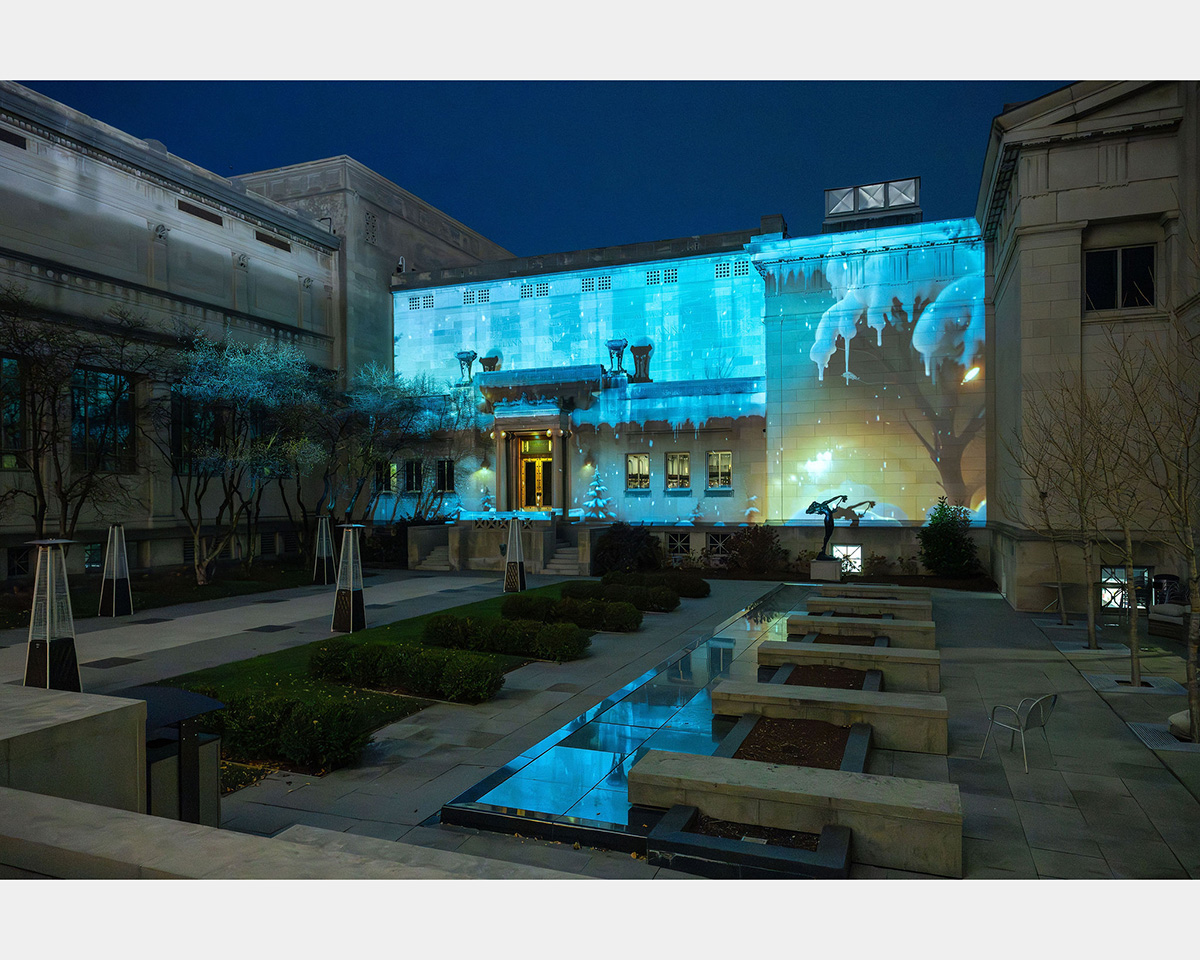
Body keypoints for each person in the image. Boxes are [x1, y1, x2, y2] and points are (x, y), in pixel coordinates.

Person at [806, 494, 848, 559]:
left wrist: (840, 496)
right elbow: (808, 512)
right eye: (815, 504)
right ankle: (823, 549)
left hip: (830, 518)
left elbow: (832, 499)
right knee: (827, 534)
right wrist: (816, 511)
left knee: (829, 534)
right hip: (828, 519)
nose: (816, 504)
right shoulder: (820, 507)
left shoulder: (823, 504)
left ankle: (824, 549)